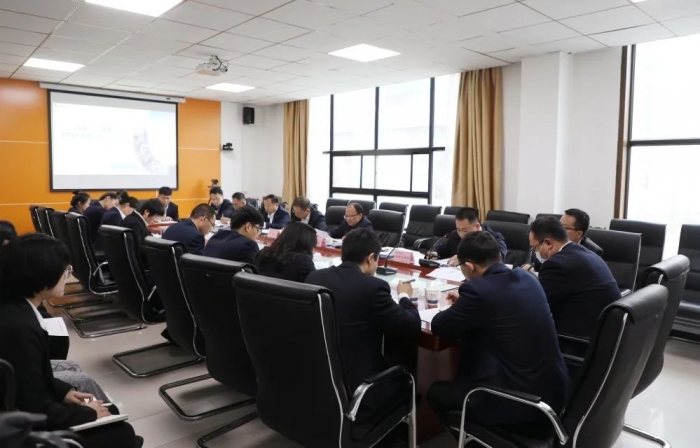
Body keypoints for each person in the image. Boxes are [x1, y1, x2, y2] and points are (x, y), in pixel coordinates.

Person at [0, 233, 142, 448]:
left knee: (110, 413)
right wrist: (87, 414)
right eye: (65, 270)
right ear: (41, 272)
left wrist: (64, 392)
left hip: (24, 410)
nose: (69, 274)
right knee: (121, 433)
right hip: (25, 429)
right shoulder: (20, 328)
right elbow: (33, 407)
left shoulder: (16, 309)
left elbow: (29, 378)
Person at [427, 232, 568, 438]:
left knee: (436, 392)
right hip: (553, 392)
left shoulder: (478, 291)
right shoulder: (527, 278)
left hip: (517, 403)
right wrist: (467, 305)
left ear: (470, 266)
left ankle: (476, 439)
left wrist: (466, 304)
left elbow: (439, 326)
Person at [306, 228, 420, 426]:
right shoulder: (373, 287)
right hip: (361, 388)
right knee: (405, 362)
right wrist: (404, 296)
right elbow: (411, 326)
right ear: (371, 258)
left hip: (320, 378)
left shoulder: (315, 277)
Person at [528, 216, 620, 341]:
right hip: (606, 334)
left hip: (579, 340)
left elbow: (536, 304)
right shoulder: (584, 252)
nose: (535, 252)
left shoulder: (557, 264)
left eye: (534, 248)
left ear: (548, 243)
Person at [431, 207, 507, 265]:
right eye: (458, 229)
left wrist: (466, 258)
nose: (461, 234)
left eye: (465, 230)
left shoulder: (494, 238)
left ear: (477, 226)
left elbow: (498, 257)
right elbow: (445, 248)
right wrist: (435, 252)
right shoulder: (455, 235)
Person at [122, 199, 164, 272]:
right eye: (156, 216)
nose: (156, 220)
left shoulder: (134, 219)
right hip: (138, 267)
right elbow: (139, 250)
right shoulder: (134, 224)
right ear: (146, 212)